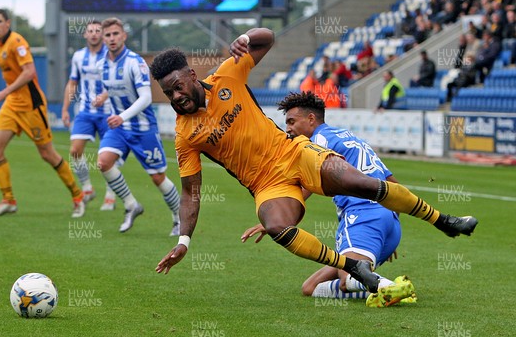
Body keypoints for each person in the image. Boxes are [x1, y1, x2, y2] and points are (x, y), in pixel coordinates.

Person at [150, 28, 478, 292]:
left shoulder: (227, 77)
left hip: (294, 153)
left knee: (359, 183)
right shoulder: (184, 135)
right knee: (278, 225)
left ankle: (443, 220)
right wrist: (184, 240)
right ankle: (353, 268)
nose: (176, 97)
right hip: (265, 184)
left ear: (192, 75)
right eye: (169, 93)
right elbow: (191, 193)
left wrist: (247, 38)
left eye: (178, 87)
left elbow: (268, 38)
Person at [241, 92, 416, 307]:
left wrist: (276, 224)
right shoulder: (349, 137)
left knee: (347, 280)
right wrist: (386, 227)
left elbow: (303, 190)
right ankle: (382, 288)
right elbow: (393, 185)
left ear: (311, 119)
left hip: (362, 217)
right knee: (310, 288)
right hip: (385, 221)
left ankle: (392, 287)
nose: (288, 129)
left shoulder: (317, 141)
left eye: (292, 122)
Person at [0, 8, 85, 217]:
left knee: (47, 154)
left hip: (32, 106)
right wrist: (8, 95)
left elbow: (30, 72)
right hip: (12, 105)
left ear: (7, 23)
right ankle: (8, 200)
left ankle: (78, 196)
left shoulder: (17, 42)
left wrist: (4, 91)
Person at [93, 17, 180, 235]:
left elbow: (145, 98)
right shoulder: (102, 64)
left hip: (142, 128)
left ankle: (179, 218)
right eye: (108, 35)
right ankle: (132, 205)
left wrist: (122, 116)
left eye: (115, 34)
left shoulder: (135, 62)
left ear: (123, 36)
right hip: (120, 129)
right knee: (103, 163)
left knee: (157, 177)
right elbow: (115, 87)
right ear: (103, 39)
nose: (112, 38)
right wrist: (104, 96)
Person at [62, 20, 116, 212]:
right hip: (85, 111)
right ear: (85, 35)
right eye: (90, 31)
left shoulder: (111, 55)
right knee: (75, 150)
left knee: (107, 157)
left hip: (108, 112)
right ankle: (87, 188)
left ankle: (110, 195)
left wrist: (105, 95)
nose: (94, 34)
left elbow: (119, 80)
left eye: (97, 31)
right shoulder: (78, 56)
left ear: (102, 35)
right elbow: (72, 83)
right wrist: (65, 108)